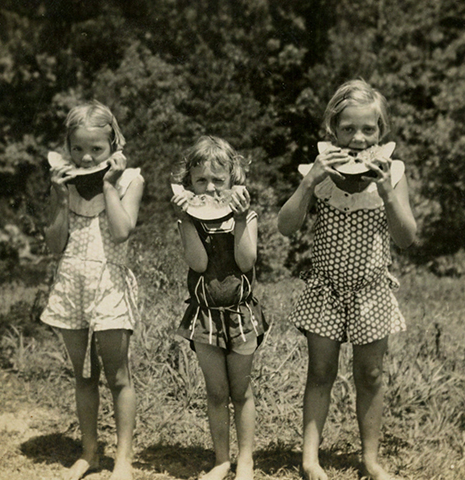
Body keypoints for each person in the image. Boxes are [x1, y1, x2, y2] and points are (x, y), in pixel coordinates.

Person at [277, 79, 417, 480]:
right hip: (326, 290)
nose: (357, 138)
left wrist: (387, 191)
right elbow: (286, 227)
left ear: (381, 132)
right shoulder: (317, 173)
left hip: (371, 292)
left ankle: (370, 459)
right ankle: (309, 458)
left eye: (368, 129)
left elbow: (407, 238)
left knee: (370, 375)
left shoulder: (394, 173)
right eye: (348, 129)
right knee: (320, 373)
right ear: (332, 131)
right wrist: (309, 181)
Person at [41, 100, 144, 480]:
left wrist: (107, 184)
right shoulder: (65, 183)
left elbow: (121, 230)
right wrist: (59, 199)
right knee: (82, 375)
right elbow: (55, 243)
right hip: (71, 282)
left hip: (109, 284)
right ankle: (89, 452)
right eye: (78, 149)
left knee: (118, 376)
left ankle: (123, 460)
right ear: (67, 149)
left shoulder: (131, 179)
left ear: (114, 145)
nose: (86, 158)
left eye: (96, 150)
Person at [171, 136, 269, 480]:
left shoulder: (248, 216)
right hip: (205, 318)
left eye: (218, 180)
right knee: (215, 392)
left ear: (233, 180)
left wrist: (241, 219)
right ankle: (221, 460)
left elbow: (246, 261)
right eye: (201, 181)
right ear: (189, 184)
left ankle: (246, 460)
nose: (210, 188)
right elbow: (198, 264)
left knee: (241, 391)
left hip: (240, 315)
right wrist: (185, 219)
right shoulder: (189, 220)